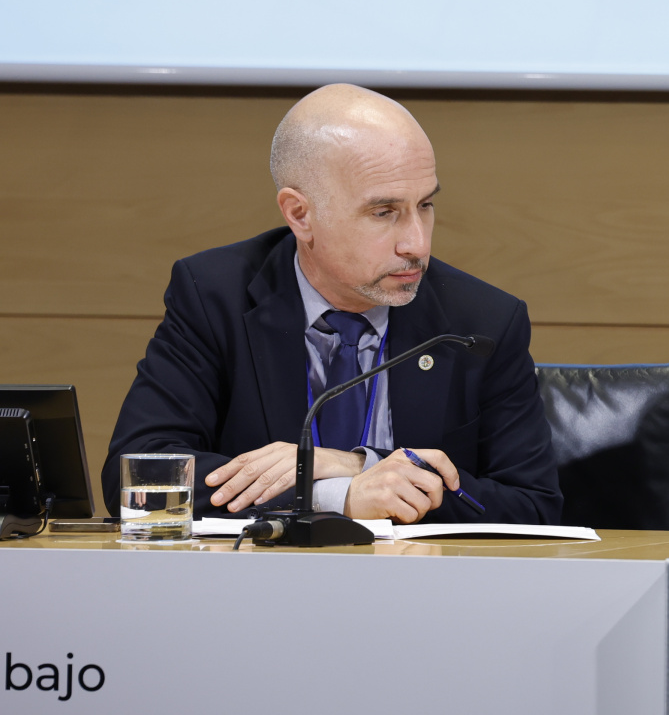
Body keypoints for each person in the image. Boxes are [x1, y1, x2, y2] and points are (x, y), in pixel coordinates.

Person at [103, 84, 561, 524]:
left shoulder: (480, 322)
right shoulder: (214, 295)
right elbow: (139, 478)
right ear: (300, 214)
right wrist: (331, 493)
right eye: (384, 213)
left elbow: (534, 506)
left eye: (425, 205)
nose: (416, 244)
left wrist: (355, 464)